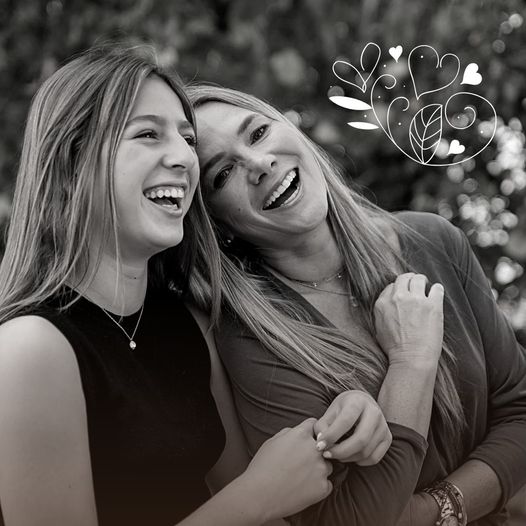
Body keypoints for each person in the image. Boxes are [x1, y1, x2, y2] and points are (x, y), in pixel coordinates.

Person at [0, 44, 396, 526]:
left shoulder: (187, 324)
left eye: (187, 139)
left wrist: (344, 418)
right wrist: (255, 498)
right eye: (148, 133)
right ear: (71, 165)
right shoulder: (30, 349)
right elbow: (257, 495)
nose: (185, 158)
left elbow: (265, 490)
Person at [186, 84, 526, 526]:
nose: (260, 163)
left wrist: (437, 509)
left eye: (258, 133)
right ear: (218, 223)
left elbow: (519, 410)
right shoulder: (250, 336)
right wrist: (411, 362)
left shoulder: (433, 239)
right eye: (222, 174)